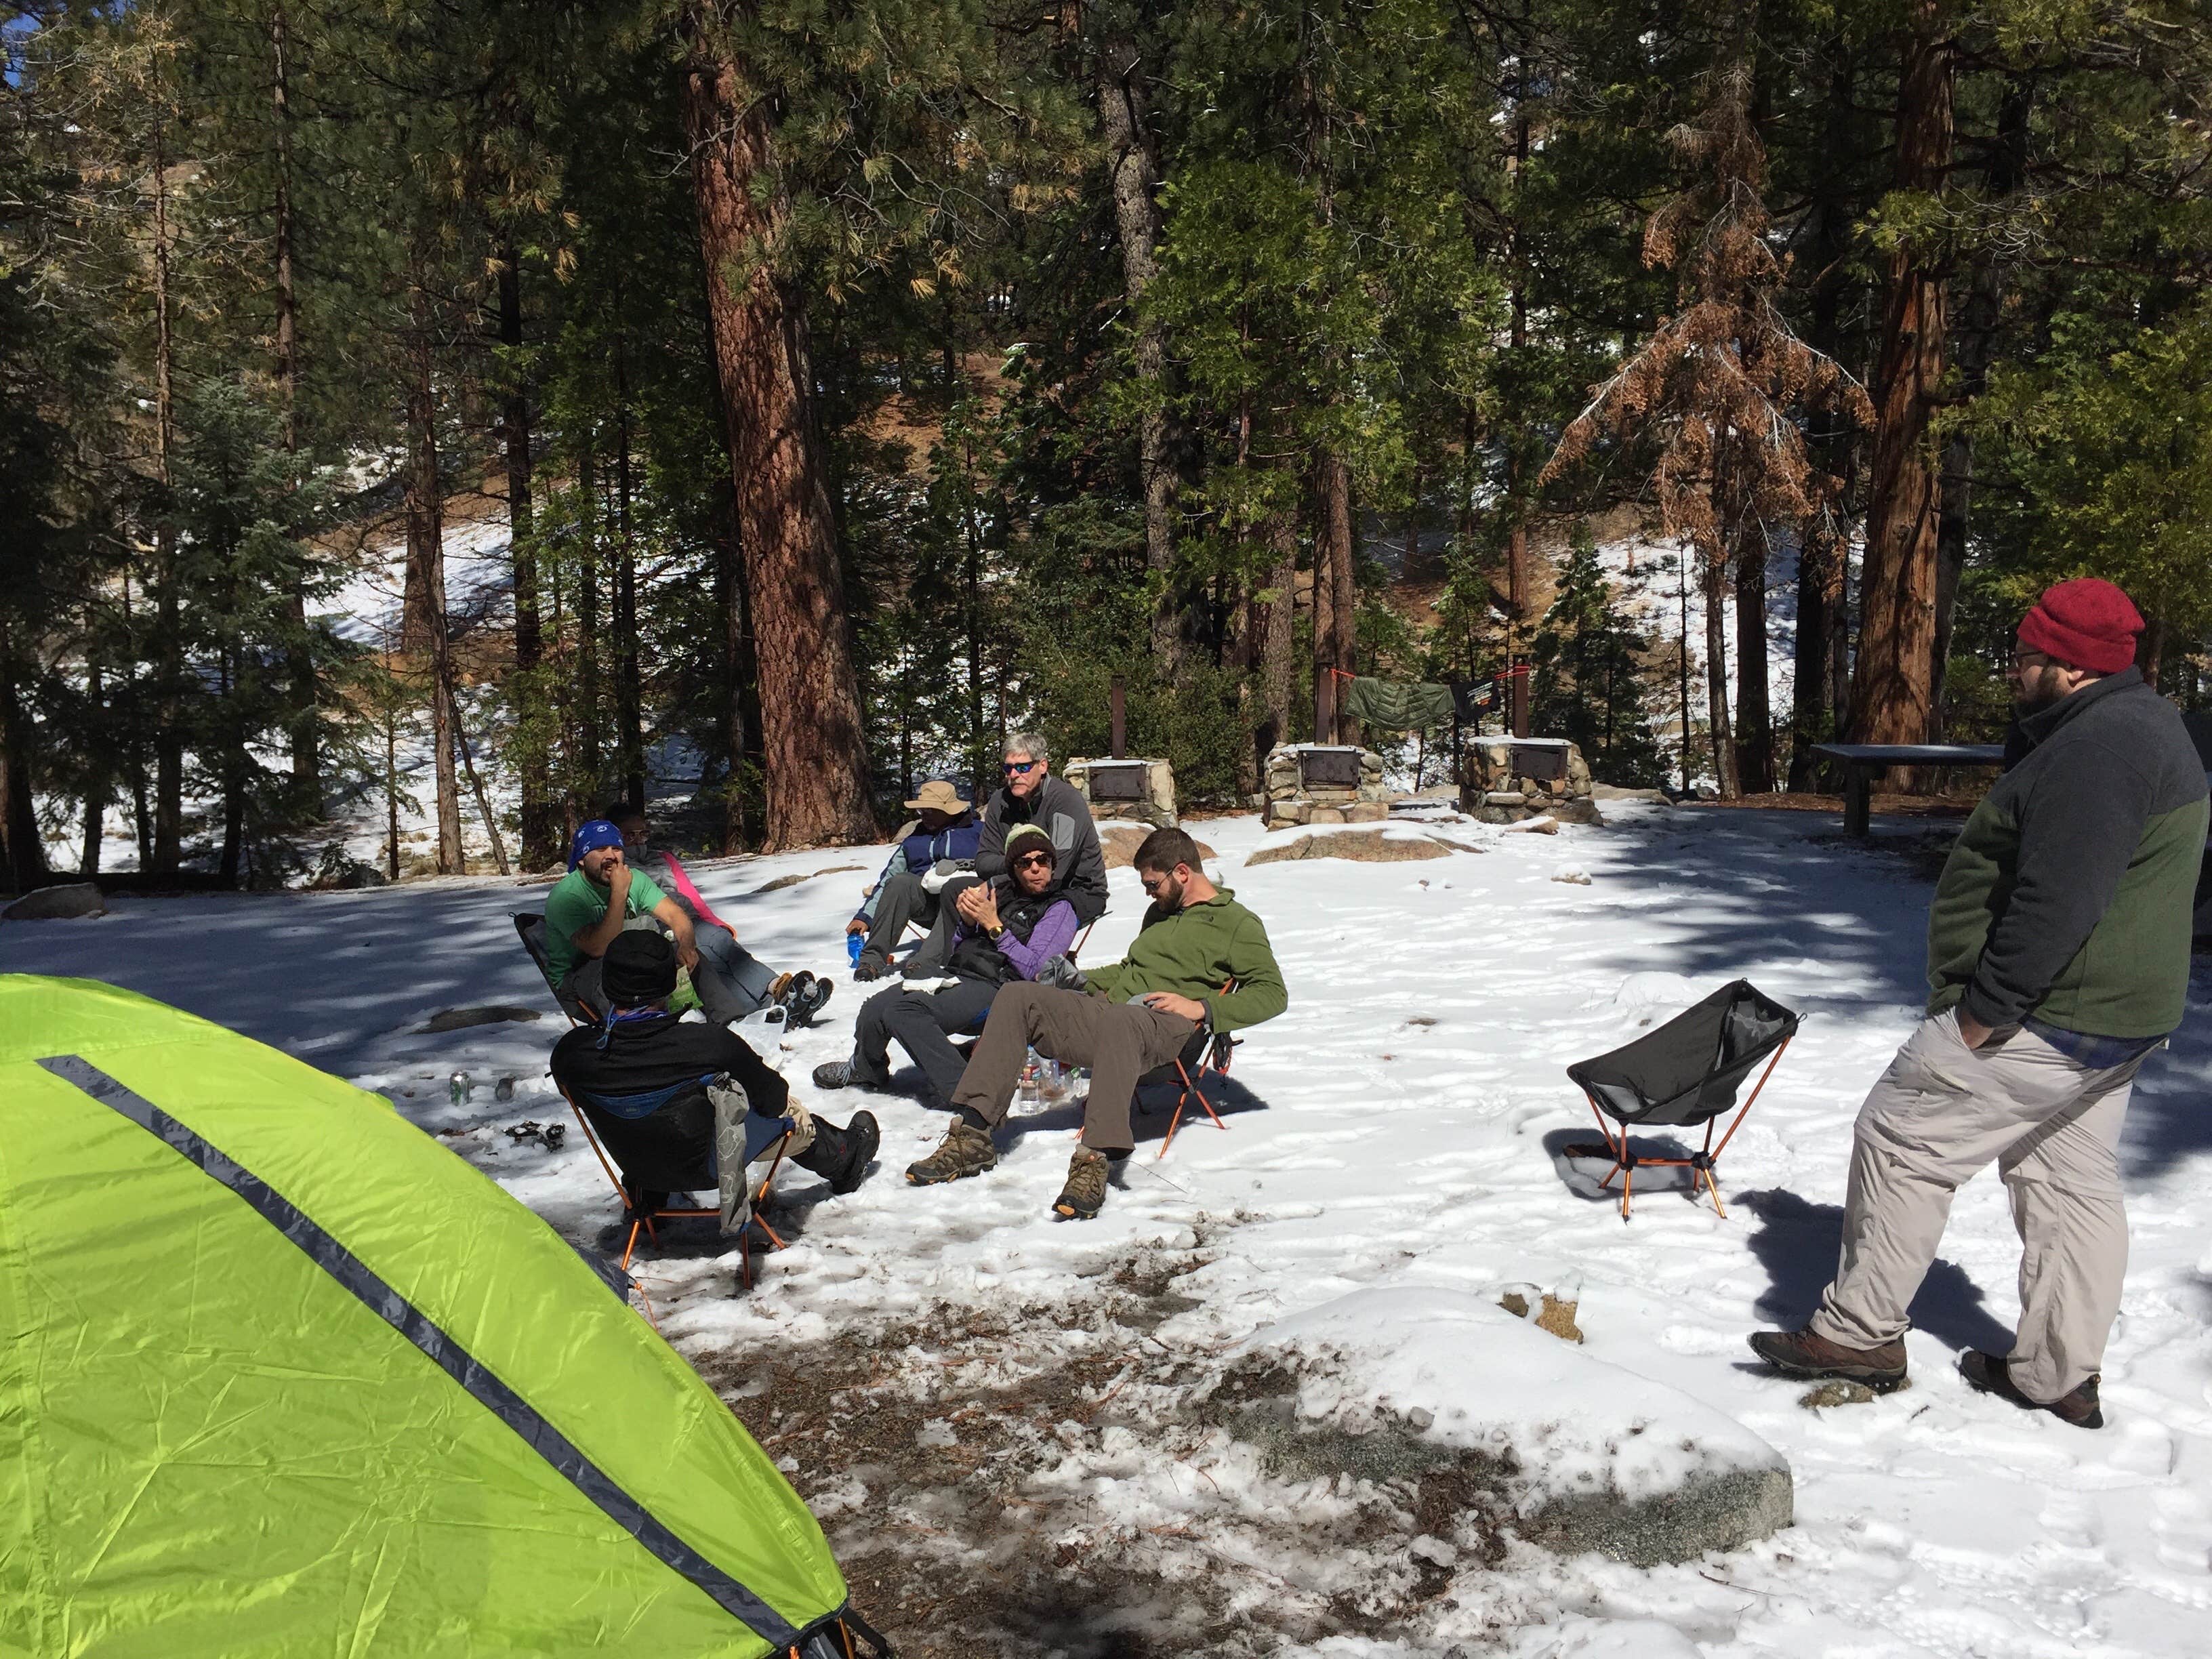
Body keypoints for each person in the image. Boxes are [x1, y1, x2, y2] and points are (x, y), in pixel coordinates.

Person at [1749, 579, 2208, 1428]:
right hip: (2119, 1015)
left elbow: (2060, 896)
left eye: (2027, 656)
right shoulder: (2140, 721)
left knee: (1901, 1132)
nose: (2012, 669)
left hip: (2051, 1012)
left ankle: (1859, 1335)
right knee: (2067, 1180)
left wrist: (1985, 1011)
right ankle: (2056, 1374)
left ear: (2071, 668)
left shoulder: (2100, 748)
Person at [906, 826, 1287, 1220]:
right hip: (1116, 1017)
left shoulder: (1238, 924)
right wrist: (1078, 977)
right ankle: (972, 1135)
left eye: (1153, 883)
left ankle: (1094, 1161)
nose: (1148, 893)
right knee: (1018, 996)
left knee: (1123, 1018)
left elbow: (1273, 994)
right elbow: (1130, 970)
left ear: (1183, 873)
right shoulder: (1160, 913)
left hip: (1169, 1031)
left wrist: (1203, 1008)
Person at [550, 932, 878, 1227]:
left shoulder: (573, 1054)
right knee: (789, 1112)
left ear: (608, 985)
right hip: (714, 1166)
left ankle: (649, 1195)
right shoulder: (707, 1044)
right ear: (669, 983)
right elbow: (773, 1100)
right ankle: (844, 1159)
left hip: (639, 1165)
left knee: (634, 1111)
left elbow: (580, 1099)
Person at [813, 824, 1080, 1108]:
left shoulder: (1059, 909)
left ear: (1053, 864)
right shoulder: (998, 892)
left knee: (906, 1013)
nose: (1036, 868)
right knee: (875, 1009)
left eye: (1043, 860)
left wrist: (996, 928)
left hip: (1002, 988)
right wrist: (966, 922)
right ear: (1013, 868)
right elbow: (957, 942)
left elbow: (1036, 971)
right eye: (1025, 862)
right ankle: (867, 1069)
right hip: (957, 974)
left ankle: (970, 1094)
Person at [904, 733, 1111, 977]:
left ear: (1042, 766)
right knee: (958, 890)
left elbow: (1056, 869)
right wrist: (1016, 866)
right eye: (1008, 768)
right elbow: (983, 862)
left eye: (1023, 767)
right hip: (1023, 883)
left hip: (1076, 890)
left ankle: (1010, 972)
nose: (1014, 775)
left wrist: (1000, 878)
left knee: (1024, 908)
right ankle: (950, 962)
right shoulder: (1000, 802)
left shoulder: (1066, 801)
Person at [609, 806, 832, 1025]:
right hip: (657, 928)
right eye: (629, 836)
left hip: (688, 919)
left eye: (643, 834)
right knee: (706, 953)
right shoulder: (617, 870)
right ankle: (764, 1006)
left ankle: (778, 992)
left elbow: (691, 896)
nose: (638, 841)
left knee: (719, 938)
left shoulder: (663, 859)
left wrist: (716, 923)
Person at [847, 779, 982, 981]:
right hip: (927, 906)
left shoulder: (978, 832)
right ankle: (872, 959)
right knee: (901, 882)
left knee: (956, 887)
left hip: (965, 908)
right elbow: (889, 879)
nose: (924, 815)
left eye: (931, 810)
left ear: (949, 810)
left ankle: (925, 962)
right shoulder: (915, 839)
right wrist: (865, 917)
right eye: (922, 811)